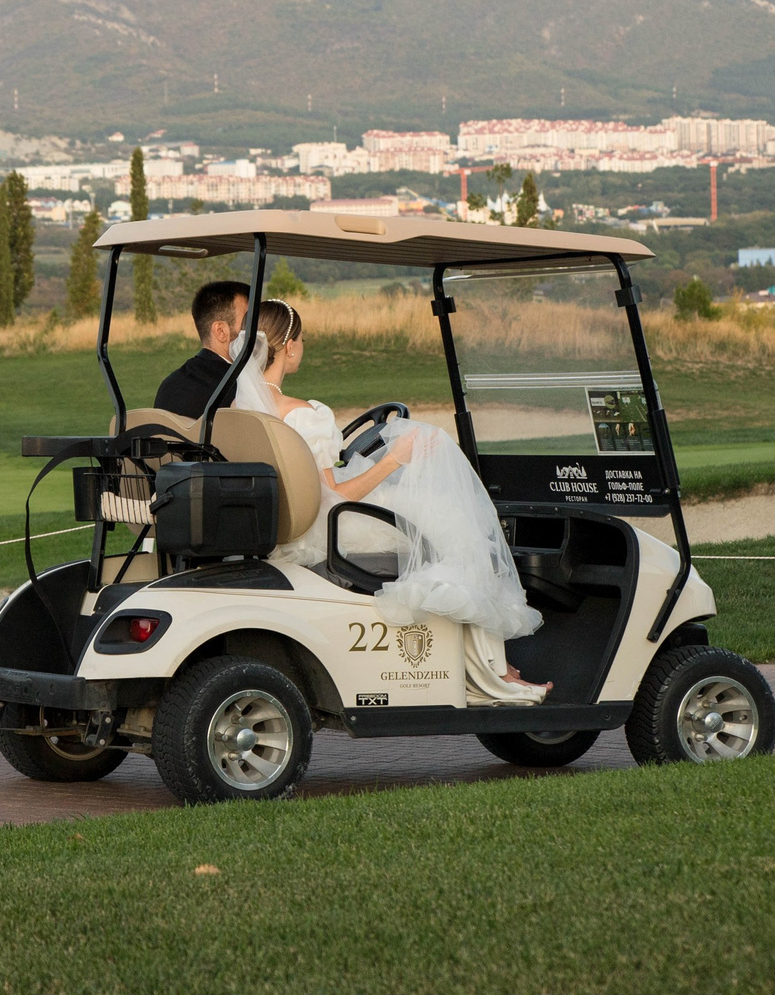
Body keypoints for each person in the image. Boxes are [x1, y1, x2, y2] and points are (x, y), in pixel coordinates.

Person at [235, 300, 551, 704]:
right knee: (454, 530)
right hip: (321, 528)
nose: (303, 346)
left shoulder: (241, 410)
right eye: (302, 339)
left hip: (280, 528)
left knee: (439, 523)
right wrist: (395, 459)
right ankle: (492, 674)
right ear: (290, 346)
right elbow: (337, 495)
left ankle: (482, 668)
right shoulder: (305, 415)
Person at [152, 280, 252, 417]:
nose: (260, 329)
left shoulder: (170, 384)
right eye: (249, 321)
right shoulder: (239, 389)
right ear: (221, 331)